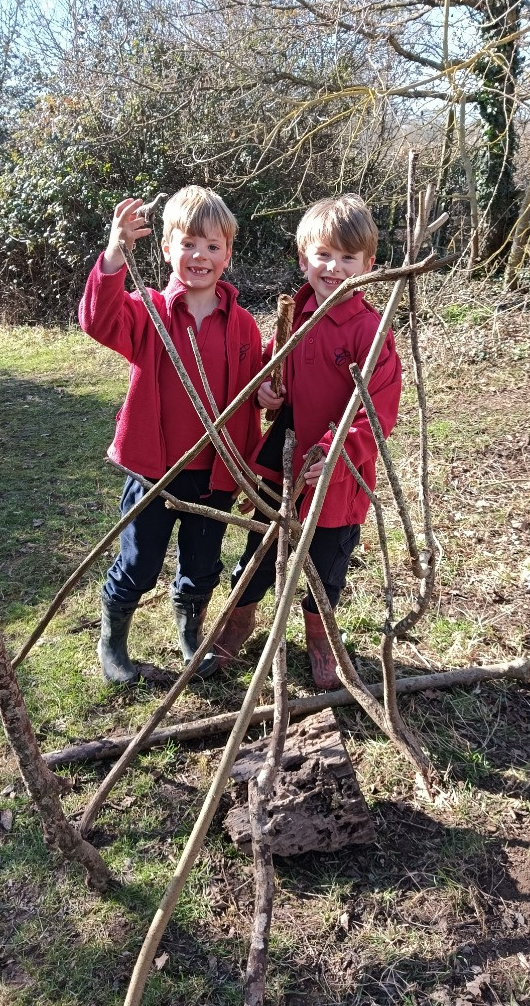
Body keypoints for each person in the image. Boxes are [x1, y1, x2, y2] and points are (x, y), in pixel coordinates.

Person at [214, 193, 401, 690]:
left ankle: (320, 638)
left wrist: (336, 454)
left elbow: (377, 411)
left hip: (339, 475)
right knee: (261, 543)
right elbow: (272, 372)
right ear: (303, 259)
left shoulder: (371, 331)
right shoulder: (295, 316)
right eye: (323, 255)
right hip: (284, 464)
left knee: (325, 562)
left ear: (368, 264)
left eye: (347, 258)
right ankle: (240, 619)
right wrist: (267, 390)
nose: (334, 268)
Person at [79, 186, 262, 684]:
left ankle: (189, 631)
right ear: (165, 248)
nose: (199, 256)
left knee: (202, 565)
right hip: (156, 471)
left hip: (215, 475)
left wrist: (251, 458)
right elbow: (98, 320)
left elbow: (252, 396)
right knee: (139, 562)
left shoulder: (244, 326)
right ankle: (113, 639)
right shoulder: (149, 311)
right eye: (188, 244)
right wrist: (115, 254)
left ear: (228, 253)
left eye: (212, 246)